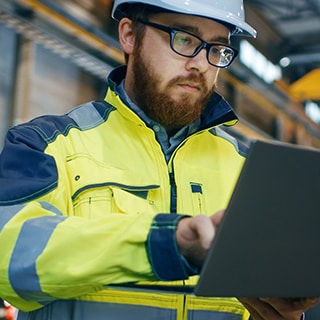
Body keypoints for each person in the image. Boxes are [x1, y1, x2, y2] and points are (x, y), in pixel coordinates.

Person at [0, 0, 318, 319]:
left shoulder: (250, 170)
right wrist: (167, 243)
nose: (201, 64)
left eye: (217, 49)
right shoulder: (48, 143)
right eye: (184, 39)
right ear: (129, 35)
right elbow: (9, 259)